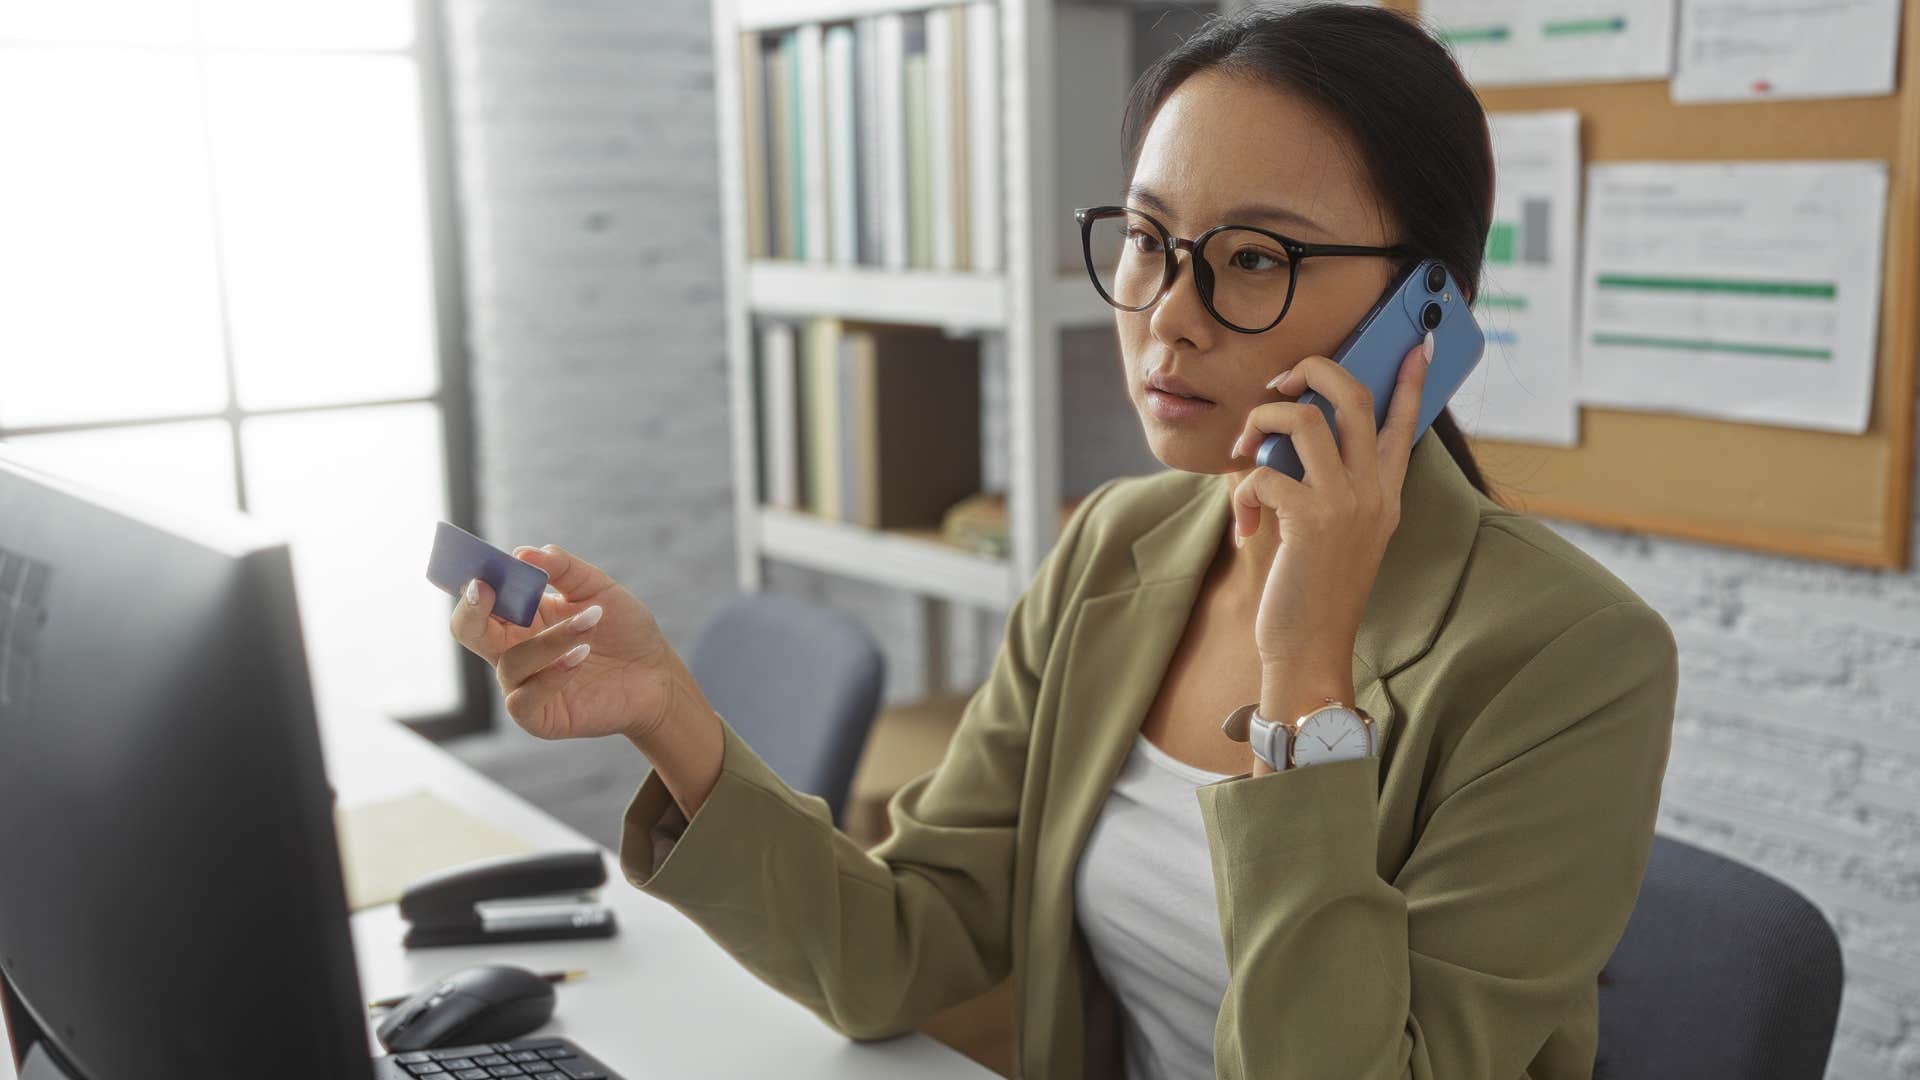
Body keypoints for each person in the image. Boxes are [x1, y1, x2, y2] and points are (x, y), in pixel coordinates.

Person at [447, 5, 1679, 1078]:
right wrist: (667, 710)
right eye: (1150, 240)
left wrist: (1304, 675)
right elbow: (900, 947)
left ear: (1423, 314)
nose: (1170, 318)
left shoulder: (1570, 657)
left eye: (1253, 258)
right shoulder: (1119, 548)